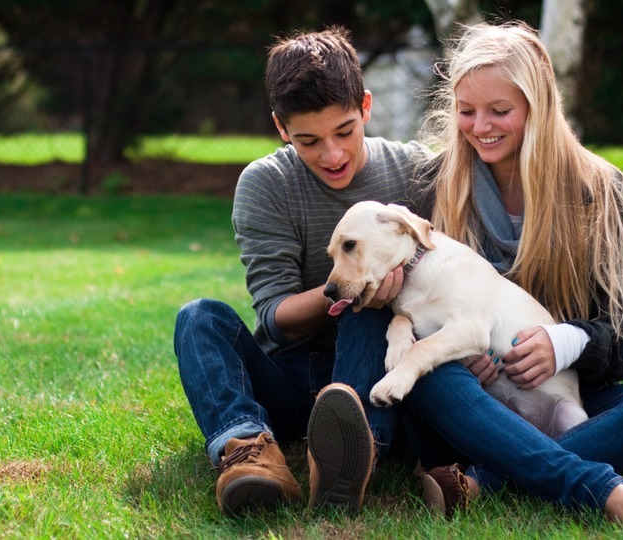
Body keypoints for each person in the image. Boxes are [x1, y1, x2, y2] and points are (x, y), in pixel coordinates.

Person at [384, 21, 623, 534]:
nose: (479, 126)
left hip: (563, 395)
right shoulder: (433, 188)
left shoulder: (604, 195)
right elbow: (405, 301)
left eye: (500, 111)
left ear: (539, 107)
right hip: (466, 404)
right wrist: (457, 351)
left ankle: (482, 483)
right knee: (420, 368)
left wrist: (568, 342)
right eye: (466, 111)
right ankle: (600, 488)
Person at [173, 26, 431, 515]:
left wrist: (368, 295)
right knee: (198, 318)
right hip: (288, 377)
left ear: (367, 107)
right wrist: (345, 289)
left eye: (345, 131)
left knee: (370, 309)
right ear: (281, 128)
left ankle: (354, 454)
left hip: (373, 368)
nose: (332, 155)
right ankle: (248, 450)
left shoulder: (416, 171)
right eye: (309, 140)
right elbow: (273, 317)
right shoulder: (265, 183)